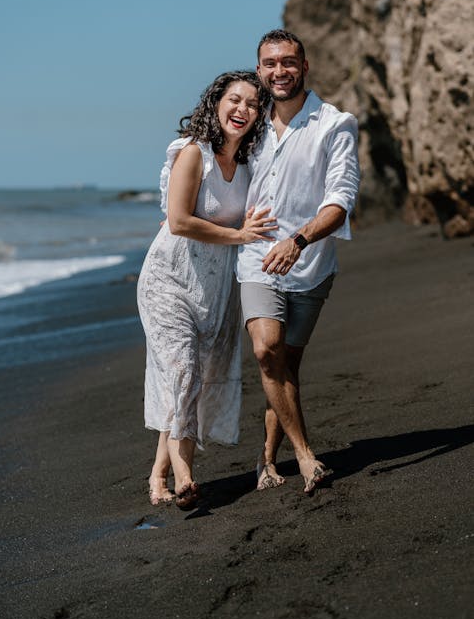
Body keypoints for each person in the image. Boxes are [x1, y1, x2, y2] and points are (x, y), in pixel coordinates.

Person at [137, 70, 277, 510]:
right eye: (235, 100)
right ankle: (184, 477)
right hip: (168, 279)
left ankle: (157, 473)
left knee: (187, 378)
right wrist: (239, 237)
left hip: (215, 288)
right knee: (183, 371)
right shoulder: (193, 153)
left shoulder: (250, 166)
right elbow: (178, 220)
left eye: (253, 105)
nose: (243, 110)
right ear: (216, 103)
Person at [236, 29, 360, 494]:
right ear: (260, 69)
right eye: (269, 63)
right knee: (267, 351)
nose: (279, 71)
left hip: (311, 266)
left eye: (288, 62)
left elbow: (340, 201)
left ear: (304, 67)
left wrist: (299, 240)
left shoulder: (334, 124)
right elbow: (215, 167)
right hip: (255, 257)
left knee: (286, 363)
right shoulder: (250, 122)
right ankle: (306, 457)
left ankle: (267, 460)